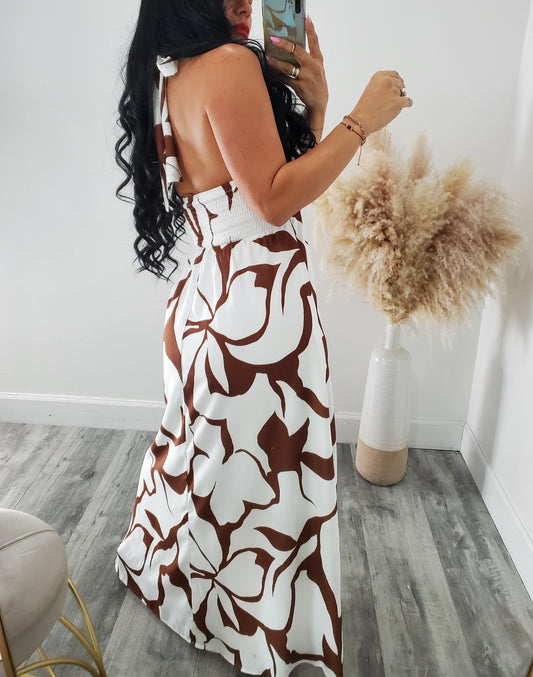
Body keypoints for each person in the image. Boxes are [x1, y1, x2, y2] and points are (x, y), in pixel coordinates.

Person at [114, 1, 412, 676]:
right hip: (258, 319)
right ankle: (264, 629)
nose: (245, 1)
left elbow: (270, 192)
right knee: (272, 488)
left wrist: (318, 109)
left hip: (208, 307)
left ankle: (197, 596)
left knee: (217, 475)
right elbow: (275, 202)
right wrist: (360, 119)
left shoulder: (173, 73)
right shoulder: (228, 63)